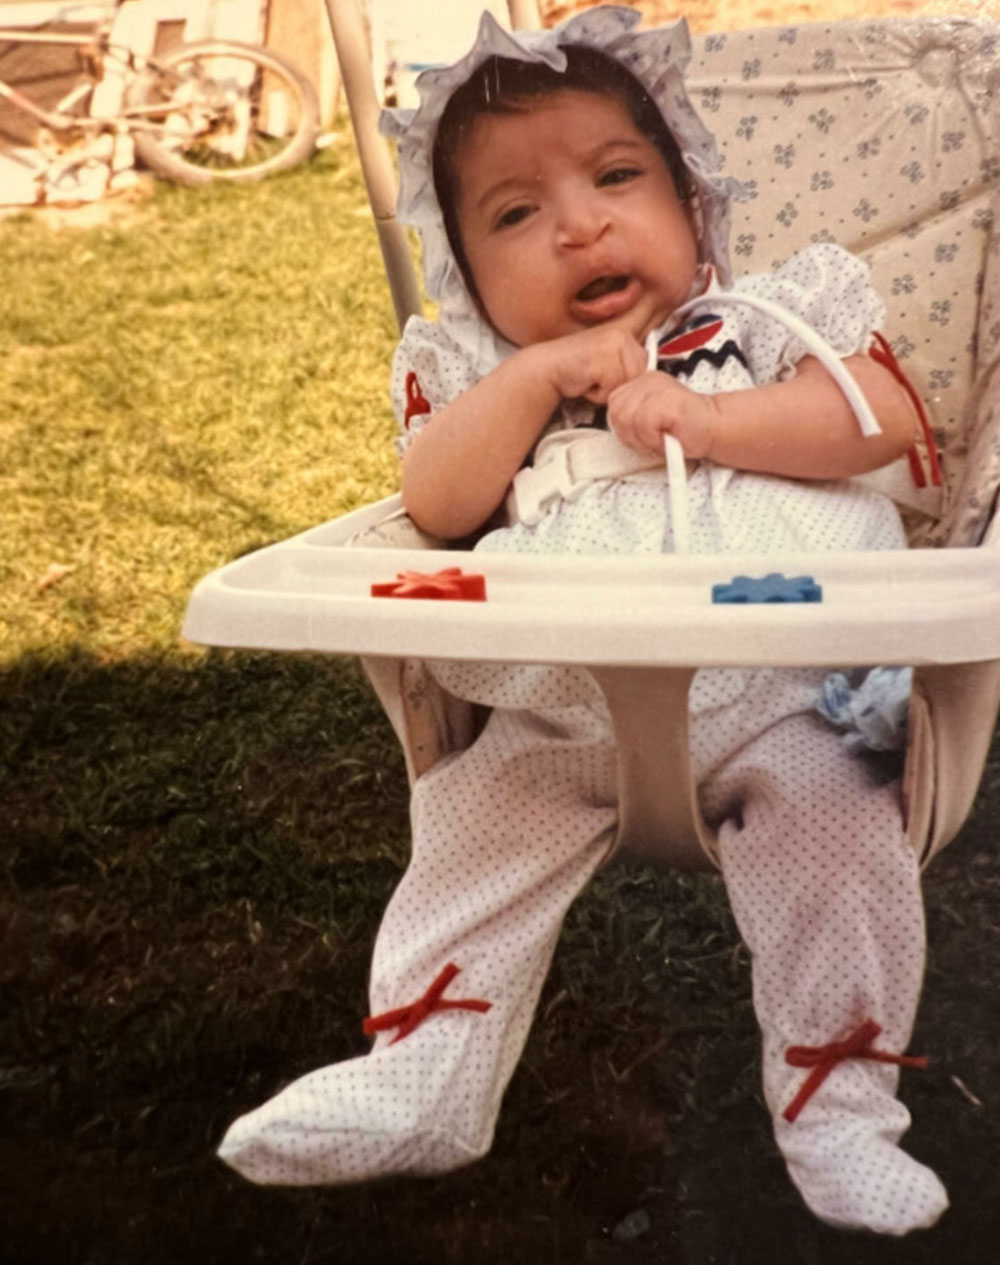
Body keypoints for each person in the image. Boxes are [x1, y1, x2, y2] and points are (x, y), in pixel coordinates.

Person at [217, 9, 948, 1236]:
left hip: (788, 686)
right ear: (465, 268)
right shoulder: (480, 374)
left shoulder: (769, 320)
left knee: (841, 843)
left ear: (692, 206)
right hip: (564, 704)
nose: (577, 223)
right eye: (513, 214)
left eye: (616, 177)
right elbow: (438, 502)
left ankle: (837, 1098)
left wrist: (713, 422)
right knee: (468, 825)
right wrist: (532, 380)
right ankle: (426, 1070)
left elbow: (882, 419)